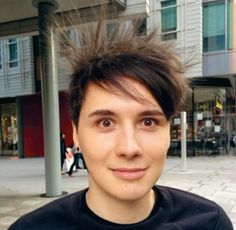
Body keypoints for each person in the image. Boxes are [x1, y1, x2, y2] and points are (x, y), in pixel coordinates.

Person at [9, 9, 233, 230]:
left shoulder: (211, 223)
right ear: (76, 133)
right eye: (105, 122)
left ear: (168, 132)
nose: (129, 148)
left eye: (148, 122)